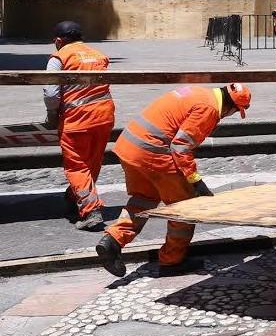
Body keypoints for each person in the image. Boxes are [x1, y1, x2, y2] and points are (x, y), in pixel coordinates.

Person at [97, 83, 252, 277]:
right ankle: (172, 260)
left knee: (143, 199)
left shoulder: (198, 91)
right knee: (185, 208)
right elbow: (180, 147)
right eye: (236, 112)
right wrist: (195, 181)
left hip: (130, 145)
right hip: (152, 152)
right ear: (232, 107)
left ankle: (112, 240)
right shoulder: (209, 109)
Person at [43, 21, 115, 231]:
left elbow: (51, 92)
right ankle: (74, 196)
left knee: (77, 165)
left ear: (58, 40)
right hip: (103, 117)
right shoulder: (98, 54)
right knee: (92, 162)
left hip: (77, 119)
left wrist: (51, 115)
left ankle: (91, 211)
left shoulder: (59, 58)